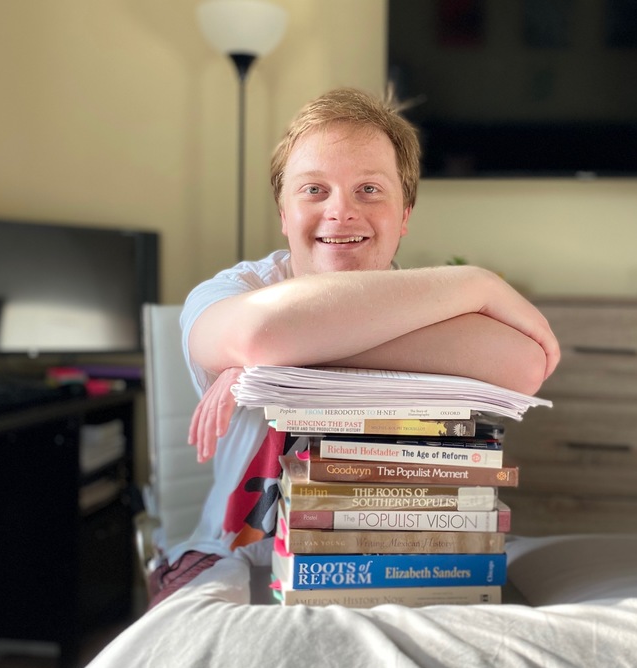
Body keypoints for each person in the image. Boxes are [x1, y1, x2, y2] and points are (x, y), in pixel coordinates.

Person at [147, 87, 560, 607]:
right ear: (282, 211)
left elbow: (521, 365)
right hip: (244, 564)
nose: (341, 212)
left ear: (404, 214)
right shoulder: (232, 293)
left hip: (403, 562)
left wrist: (282, 355)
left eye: (369, 189)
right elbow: (258, 334)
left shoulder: (428, 301)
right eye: (313, 190)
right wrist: (477, 284)